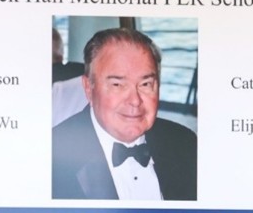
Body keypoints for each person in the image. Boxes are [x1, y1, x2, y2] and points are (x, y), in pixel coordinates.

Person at [51, 27, 197, 201]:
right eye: (117, 85)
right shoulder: (51, 155)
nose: (135, 101)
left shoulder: (185, 143)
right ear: (89, 88)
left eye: (145, 84)